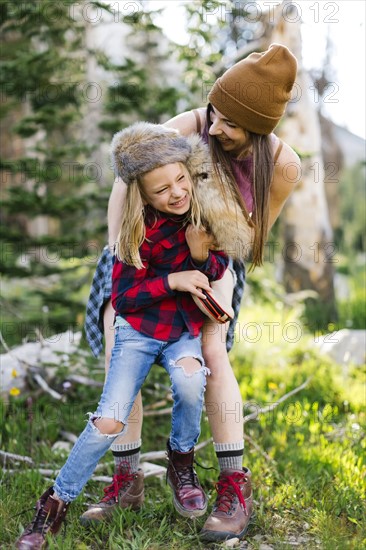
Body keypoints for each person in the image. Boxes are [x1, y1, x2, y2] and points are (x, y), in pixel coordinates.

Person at [84, 43, 300, 542]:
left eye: (230, 122)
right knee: (122, 342)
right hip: (140, 252)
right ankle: (126, 481)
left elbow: (252, 235)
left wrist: (206, 264)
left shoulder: (283, 166)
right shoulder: (189, 123)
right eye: (215, 112)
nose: (215, 127)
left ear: (260, 127)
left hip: (212, 257)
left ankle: (232, 487)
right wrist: (126, 254)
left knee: (210, 353)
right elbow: (127, 183)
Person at [16, 122, 232, 549]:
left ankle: (181, 463)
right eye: (161, 189)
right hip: (136, 332)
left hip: (182, 332)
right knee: (109, 420)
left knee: (191, 379)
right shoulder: (136, 231)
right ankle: (53, 504)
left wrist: (202, 253)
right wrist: (173, 280)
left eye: (180, 180)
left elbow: (218, 270)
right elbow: (126, 298)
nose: (175, 193)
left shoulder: (202, 216)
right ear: (142, 195)